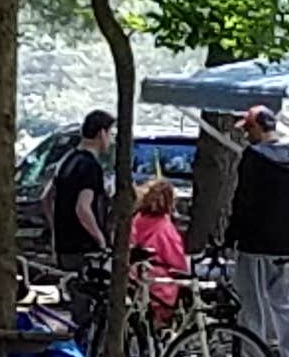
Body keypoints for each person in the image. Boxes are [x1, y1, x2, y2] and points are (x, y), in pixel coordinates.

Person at [224, 103, 289, 357]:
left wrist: (231, 239)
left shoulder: (253, 158)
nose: (246, 136)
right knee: (287, 307)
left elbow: (244, 202)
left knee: (253, 307)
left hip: (255, 245)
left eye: (248, 129)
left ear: (256, 128)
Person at [47, 110, 116, 266]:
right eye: (110, 133)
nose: (111, 140)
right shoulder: (90, 166)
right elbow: (83, 208)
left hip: (63, 247)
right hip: (84, 249)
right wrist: (100, 239)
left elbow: (46, 197)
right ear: (102, 133)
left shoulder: (66, 160)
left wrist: (56, 230)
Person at [131, 176, 189, 318]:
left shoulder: (136, 220)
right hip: (158, 287)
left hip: (133, 278)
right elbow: (177, 262)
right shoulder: (164, 227)